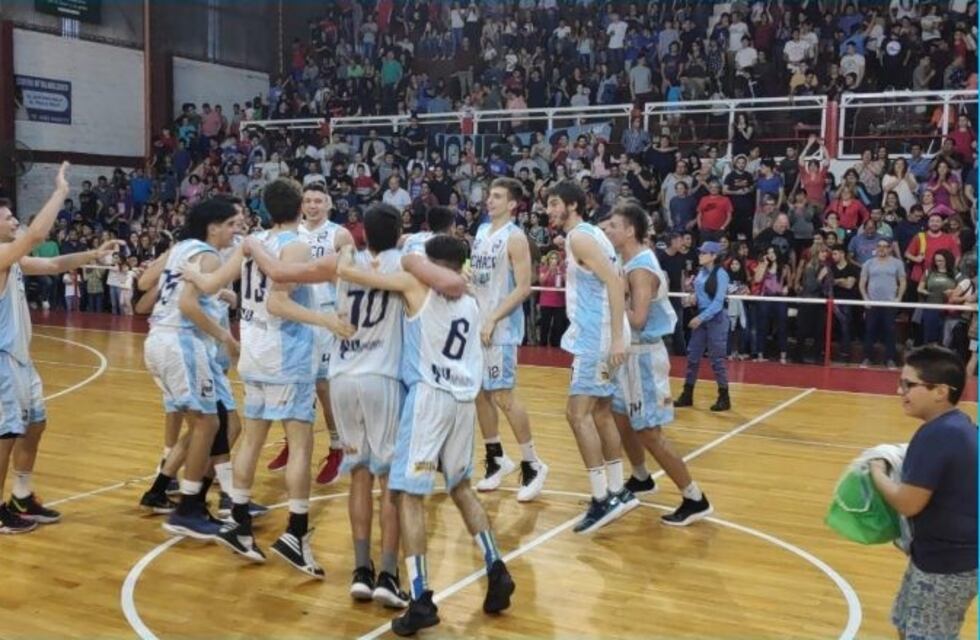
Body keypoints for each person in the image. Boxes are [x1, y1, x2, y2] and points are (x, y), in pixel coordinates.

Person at [336, 234, 515, 636]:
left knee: (409, 497)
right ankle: (496, 566)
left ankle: (419, 597)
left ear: (432, 263)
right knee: (461, 487)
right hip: (463, 401)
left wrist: (349, 252)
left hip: (429, 398)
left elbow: (352, 274)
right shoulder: (472, 300)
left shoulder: (418, 286)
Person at [189, 178, 353, 574]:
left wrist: (186, 271)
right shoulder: (292, 245)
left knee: (254, 438)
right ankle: (296, 531)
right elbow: (278, 303)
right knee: (299, 444)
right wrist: (325, 319)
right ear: (300, 207)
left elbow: (212, 285)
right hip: (286, 354)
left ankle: (239, 522)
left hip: (255, 351)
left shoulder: (251, 244)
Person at [0, 163, 119, 532]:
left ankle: (21, 494)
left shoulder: (13, 260)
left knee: (35, 424)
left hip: (21, 360)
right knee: (5, 435)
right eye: (7, 218)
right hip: (2, 362)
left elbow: (52, 262)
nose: (13, 221)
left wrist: (90, 256)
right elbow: (37, 235)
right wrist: (60, 191)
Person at [603, 202, 713, 526]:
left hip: (644, 355)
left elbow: (637, 319)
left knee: (650, 431)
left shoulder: (639, 269)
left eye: (613, 225)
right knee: (618, 414)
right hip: (626, 355)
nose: (607, 230)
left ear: (630, 231)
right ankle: (640, 477)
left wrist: (609, 301)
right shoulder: (626, 260)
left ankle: (695, 497)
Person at [141, 197, 242, 538]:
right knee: (208, 422)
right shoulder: (210, 255)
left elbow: (147, 283)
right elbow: (187, 304)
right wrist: (226, 337)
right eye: (231, 224)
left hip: (159, 338)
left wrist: (218, 296)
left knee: (209, 422)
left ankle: (186, 498)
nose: (235, 230)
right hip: (181, 340)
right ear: (213, 227)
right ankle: (188, 505)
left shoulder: (183, 247)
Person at [546, 181, 637, 534]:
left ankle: (602, 499)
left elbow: (616, 283)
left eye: (555, 204)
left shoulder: (580, 238)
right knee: (600, 412)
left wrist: (615, 337)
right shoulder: (587, 236)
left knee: (576, 413)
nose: (550, 210)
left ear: (571, 204)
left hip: (597, 335)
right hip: (603, 331)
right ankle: (617, 490)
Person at [869, 346, 977, 640]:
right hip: (942, 558)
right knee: (907, 626)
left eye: (909, 384)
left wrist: (877, 471)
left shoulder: (938, 435)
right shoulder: (958, 425)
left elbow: (908, 503)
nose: (899, 390)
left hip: (946, 566)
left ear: (940, 391)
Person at [266, 183, 352, 486]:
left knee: (324, 387)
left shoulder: (339, 234)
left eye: (319, 201)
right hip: (299, 315)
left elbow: (350, 276)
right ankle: (294, 441)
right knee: (296, 383)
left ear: (329, 204)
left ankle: (337, 448)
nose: (313, 205)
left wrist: (345, 313)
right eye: (308, 201)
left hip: (327, 315)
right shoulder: (292, 234)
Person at [470, 178, 547, 502]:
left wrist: (492, 317)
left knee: (503, 395)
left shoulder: (515, 238)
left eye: (498, 196)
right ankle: (497, 458)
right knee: (479, 394)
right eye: (490, 194)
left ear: (513, 204)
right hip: (478, 322)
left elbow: (524, 287)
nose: (490, 200)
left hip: (500, 328)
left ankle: (533, 463)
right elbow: (478, 276)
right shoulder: (480, 233)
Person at [675, 241, 731, 411]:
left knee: (717, 360)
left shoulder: (721, 274)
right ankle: (687, 394)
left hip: (715, 319)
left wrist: (700, 318)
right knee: (692, 356)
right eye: (700, 252)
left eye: (704, 253)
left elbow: (718, 303)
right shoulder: (701, 273)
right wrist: (693, 299)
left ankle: (724, 396)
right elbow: (702, 296)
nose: (700, 255)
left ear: (714, 256)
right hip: (702, 316)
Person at [859, 239, 906, 368]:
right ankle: (867, 358)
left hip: (890, 303)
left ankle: (890, 359)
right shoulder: (868, 263)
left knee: (890, 331)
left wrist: (899, 298)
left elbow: (902, 281)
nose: (882, 249)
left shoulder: (897, 263)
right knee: (870, 330)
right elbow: (862, 282)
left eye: (885, 247)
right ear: (876, 248)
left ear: (890, 248)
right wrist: (865, 298)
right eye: (879, 246)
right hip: (872, 303)